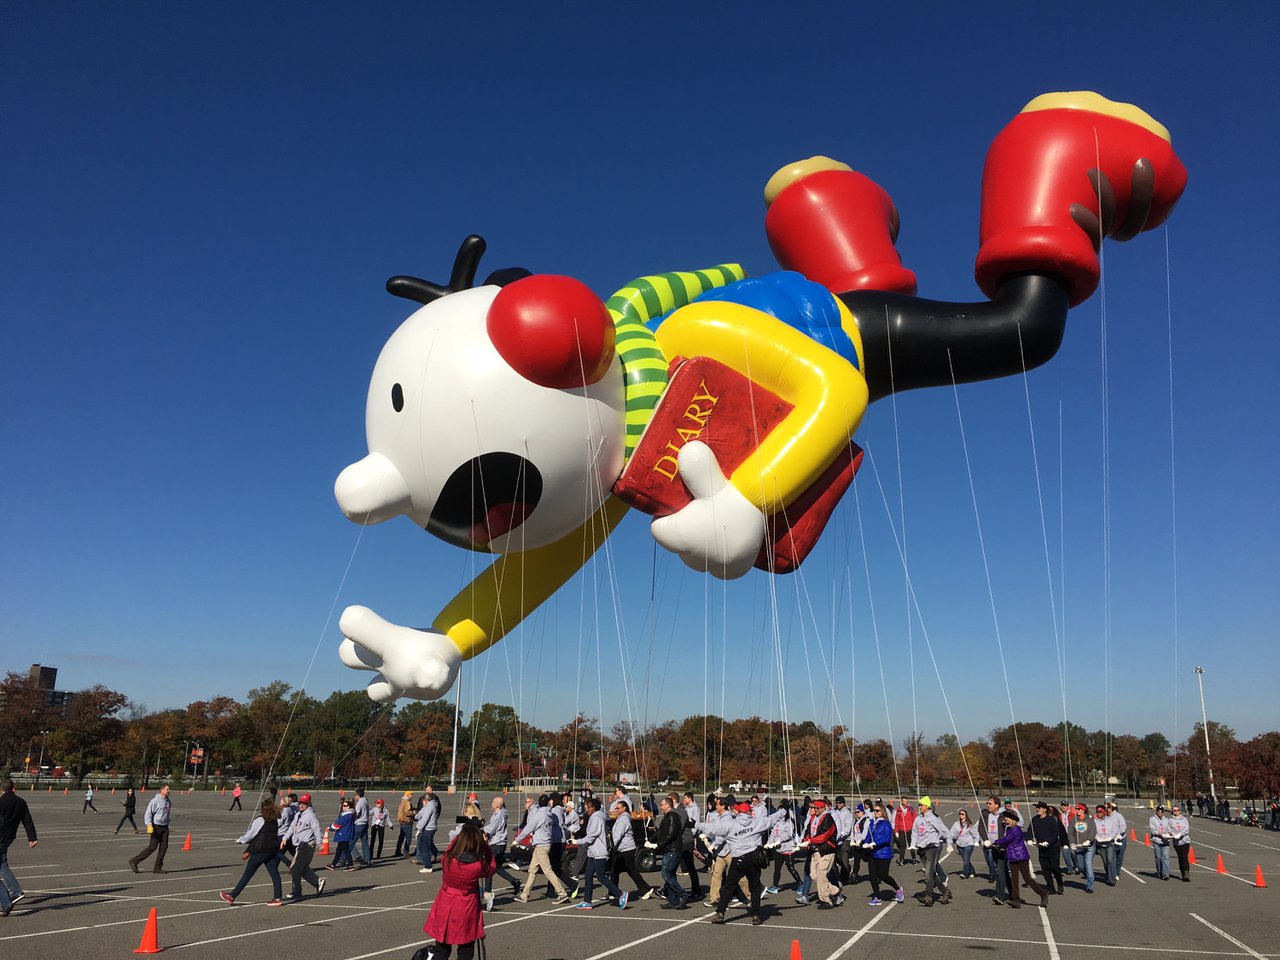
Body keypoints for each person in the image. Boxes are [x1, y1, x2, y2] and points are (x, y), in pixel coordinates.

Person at [420, 823, 495, 960]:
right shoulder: (477, 866)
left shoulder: (447, 858)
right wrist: (485, 846)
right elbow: (492, 867)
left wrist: (462, 834)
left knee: (441, 949)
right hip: (466, 905)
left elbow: (451, 846)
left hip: (445, 901)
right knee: (465, 948)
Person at [705, 798, 784, 925]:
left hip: (738, 859)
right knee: (755, 887)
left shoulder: (732, 824)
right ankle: (756, 915)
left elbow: (714, 829)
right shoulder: (756, 822)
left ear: (740, 812)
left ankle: (720, 913)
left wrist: (696, 825)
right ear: (749, 812)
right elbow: (772, 819)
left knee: (728, 887)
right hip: (753, 859)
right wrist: (784, 810)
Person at [220, 798, 283, 906]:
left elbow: (251, 835)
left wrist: (240, 840)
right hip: (271, 850)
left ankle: (232, 896)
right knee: (275, 874)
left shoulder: (260, 820)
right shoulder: (274, 820)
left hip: (260, 851)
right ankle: (277, 898)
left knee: (247, 874)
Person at [573, 797, 627, 910]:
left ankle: (620, 894)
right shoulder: (594, 817)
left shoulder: (596, 818)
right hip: (592, 852)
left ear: (593, 808)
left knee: (600, 876)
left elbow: (591, 837)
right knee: (588, 875)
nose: (586, 809)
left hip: (599, 852)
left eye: (588, 807)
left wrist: (576, 841)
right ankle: (587, 901)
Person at [515, 795, 570, 903]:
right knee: (532, 870)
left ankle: (562, 893)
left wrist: (518, 839)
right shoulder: (549, 813)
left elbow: (529, 827)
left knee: (548, 870)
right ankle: (524, 895)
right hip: (543, 844)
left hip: (541, 845)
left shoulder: (540, 814)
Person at [991, 809, 1049, 909]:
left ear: (1013, 819)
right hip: (1012, 857)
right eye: (1005, 817)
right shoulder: (1008, 829)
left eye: (1007, 818)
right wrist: (999, 846)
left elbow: (1007, 840)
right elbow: (1008, 843)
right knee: (1014, 880)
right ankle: (1015, 900)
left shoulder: (1016, 829)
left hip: (1021, 857)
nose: (1006, 819)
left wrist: (995, 841)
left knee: (1028, 879)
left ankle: (1043, 893)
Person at [0, 779, 38, 918]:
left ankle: (7, 900)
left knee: (2, 865)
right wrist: (32, 837)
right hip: (8, 837)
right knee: (2, 865)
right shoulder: (21, 802)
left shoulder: (2, 802)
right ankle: (15, 893)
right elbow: (27, 820)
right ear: (13, 789)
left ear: (2, 789)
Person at [282, 794, 327, 900]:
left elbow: (317, 829)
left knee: (295, 869)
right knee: (302, 868)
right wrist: (285, 838)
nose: (302, 805)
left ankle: (297, 892)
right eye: (300, 803)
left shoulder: (310, 816)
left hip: (307, 845)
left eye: (304, 803)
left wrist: (320, 844)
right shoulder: (298, 814)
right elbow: (292, 827)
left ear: (309, 804)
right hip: (299, 845)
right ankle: (317, 882)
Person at [608, 799, 654, 900]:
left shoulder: (624, 819)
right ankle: (612, 892)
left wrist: (611, 846)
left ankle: (646, 889)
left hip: (626, 849)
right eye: (616, 808)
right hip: (622, 849)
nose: (616, 810)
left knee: (630, 870)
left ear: (624, 808)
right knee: (616, 870)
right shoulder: (621, 818)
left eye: (618, 808)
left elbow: (618, 834)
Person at [860, 801, 904, 906]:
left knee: (883, 875)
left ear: (882, 812)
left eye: (877, 811)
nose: (875, 812)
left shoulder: (886, 823)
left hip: (883, 853)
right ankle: (876, 896)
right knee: (872, 875)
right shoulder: (872, 823)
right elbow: (868, 836)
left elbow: (886, 838)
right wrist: (864, 843)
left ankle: (898, 889)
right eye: (874, 810)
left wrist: (875, 843)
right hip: (873, 853)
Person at [482, 796, 520, 908]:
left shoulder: (499, 815)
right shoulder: (499, 814)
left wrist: (482, 830)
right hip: (499, 843)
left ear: (497, 805)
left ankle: (487, 892)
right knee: (497, 867)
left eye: (493, 802)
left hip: (497, 844)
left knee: (489, 866)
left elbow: (492, 828)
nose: (491, 804)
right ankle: (514, 881)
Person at [912, 796, 951, 905]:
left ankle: (929, 896)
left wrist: (948, 844)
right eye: (919, 805)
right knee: (931, 873)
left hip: (932, 848)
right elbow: (915, 832)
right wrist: (913, 845)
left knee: (928, 872)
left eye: (922, 805)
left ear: (927, 806)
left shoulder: (933, 818)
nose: (919, 807)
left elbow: (945, 832)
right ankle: (945, 891)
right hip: (921, 848)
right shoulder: (919, 818)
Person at [651, 796, 689, 909]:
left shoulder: (673, 816)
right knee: (671, 875)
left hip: (673, 850)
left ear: (668, 805)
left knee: (666, 874)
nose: (661, 806)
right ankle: (673, 900)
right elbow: (660, 832)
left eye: (662, 804)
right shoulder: (667, 817)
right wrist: (650, 839)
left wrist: (658, 845)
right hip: (669, 850)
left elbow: (671, 834)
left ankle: (682, 894)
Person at [129, 784, 172, 874]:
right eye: (167, 789)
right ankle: (134, 861)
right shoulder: (155, 801)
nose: (169, 791)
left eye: (169, 789)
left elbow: (166, 814)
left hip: (164, 827)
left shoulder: (168, 801)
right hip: (156, 827)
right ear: (162, 790)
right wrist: (149, 825)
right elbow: (148, 813)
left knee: (164, 848)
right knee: (152, 847)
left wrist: (167, 822)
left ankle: (157, 867)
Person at [1028, 801, 1067, 895]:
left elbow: (1055, 833)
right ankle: (1051, 887)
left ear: (1045, 809)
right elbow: (1030, 830)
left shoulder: (1051, 819)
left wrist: (1048, 842)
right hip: (1041, 848)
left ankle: (1060, 884)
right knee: (1045, 869)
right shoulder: (1034, 819)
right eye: (1037, 807)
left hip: (1053, 848)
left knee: (1055, 867)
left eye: (1040, 807)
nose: (1038, 809)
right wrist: (1028, 839)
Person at [976, 795, 1010, 904]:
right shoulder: (985, 814)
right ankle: (1013, 892)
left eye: (990, 803)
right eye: (987, 803)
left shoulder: (1004, 815)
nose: (988, 805)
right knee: (1003, 871)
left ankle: (1000, 896)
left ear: (997, 805)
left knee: (999, 871)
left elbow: (1013, 827)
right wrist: (985, 839)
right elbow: (981, 827)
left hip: (1001, 847)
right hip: (991, 846)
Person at [764, 799, 801, 893]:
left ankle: (800, 884)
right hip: (779, 850)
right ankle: (775, 886)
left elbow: (788, 834)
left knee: (791, 868)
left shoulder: (789, 822)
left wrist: (779, 840)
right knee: (777, 869)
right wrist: (769, 843)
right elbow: (772, 834)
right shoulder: (776, 823)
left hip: (788, 849)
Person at [1067, 803, 1097, 893]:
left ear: (1083, 810)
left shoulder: (1090, 820)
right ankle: (1087, 877)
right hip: (1078, 846)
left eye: (1079, 809)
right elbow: (1070, 833)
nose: (1077, 810)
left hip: (1089, 847)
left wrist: (1089, 840)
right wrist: (1071, 843)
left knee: (1088, 864)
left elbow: (1093, 831)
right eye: (1076, 809)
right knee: (1081, 867)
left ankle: (1090, 886)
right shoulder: (1073, 821)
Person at [416, 789, 441, 872]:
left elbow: (425, 818)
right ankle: (428, 864)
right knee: (424, 845)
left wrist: (419, 827)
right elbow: (420, 814)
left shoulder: (430, 806)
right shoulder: (430, 806)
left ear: (426, 800)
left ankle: (428, 866)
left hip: (428, 829)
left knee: (424, 847)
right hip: (429, 828)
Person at [1093, 804, 1118, 886]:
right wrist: (1097, 838)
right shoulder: (1095, 821)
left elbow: (1115, 830)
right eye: (1097, 812)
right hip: (1100, 844)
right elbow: (1093, 832)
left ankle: (1112, 879)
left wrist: (1110, 837)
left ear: (1104, 812)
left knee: (1110, 860)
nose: (1098, 813)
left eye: (1100, 812)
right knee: (1105, 862)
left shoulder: (1111, 820)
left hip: (1110, 843)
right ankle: (1108, 876)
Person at [950, 808, 978, 879]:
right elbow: (952, 833)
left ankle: (965, 873)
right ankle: (972, 870)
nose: (961, 815)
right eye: (960, 814)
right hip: (960, 844)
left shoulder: (969, 824)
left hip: (969, 844)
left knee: (966, 859)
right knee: (966, 860)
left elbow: (975, 834)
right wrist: (949, 840)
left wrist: (976, 841)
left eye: (962, 814)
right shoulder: (956, 824)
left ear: (966, 815)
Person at [329, 798, 356, 870]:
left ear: (349, 807)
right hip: (345, 834)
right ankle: (333, 865)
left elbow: (338, 823)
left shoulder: (347, 815)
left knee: (346, 851)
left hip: (344, 834)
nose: (343, 807)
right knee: (339, 850)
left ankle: (350, 865)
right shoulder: (350, 814)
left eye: (345, 805)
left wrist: (330, 827)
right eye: (343, 805)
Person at [1167, 804, 1192, 882]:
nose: (1176, 812)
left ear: (1180, 811)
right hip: (1176, 842)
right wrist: (1173, 834)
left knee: (1185, 857)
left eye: (1177, 810)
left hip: (1185, 841)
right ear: (1172, 811)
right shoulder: (1170, 820)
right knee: (1180, 858)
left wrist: (1180, 834)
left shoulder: (1184, 819)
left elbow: (1187, 828)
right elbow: (1169, 829)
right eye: (1174, 810)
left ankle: (1186, 874)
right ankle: (1182, 872)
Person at [1148, 805, 1172, 880]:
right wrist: (1160, 834)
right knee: (1158, 857)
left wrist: (1169, 834)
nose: (1160, 813)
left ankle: (1166, 873)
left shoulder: (1167, 820)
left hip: (1165, 841)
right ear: (1156, 811)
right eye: (1158, 811)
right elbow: (1152, 829)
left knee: (1165, 857)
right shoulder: (1152, 819)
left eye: (1161, 811)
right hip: (1156, 840)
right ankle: (1160, 871)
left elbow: (1169, 829)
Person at [892, 797, 915, 865]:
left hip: (909, 829)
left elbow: (914, 819)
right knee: (903, 845)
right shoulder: (898, 810)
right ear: (901, 802)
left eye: (906, 801)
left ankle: (913, 859)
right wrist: (896, 831)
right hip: (901, 830)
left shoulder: (911, 809)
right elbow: (896, 821)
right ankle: (901, 859)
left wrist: (915, 829)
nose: (906, 802)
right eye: (904, 801)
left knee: (911, 844)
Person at [352, 788, 371, 865]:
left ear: (358, 795)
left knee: (351, 841)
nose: (355, 796)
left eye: (356, 794)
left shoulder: (360, 802)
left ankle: (343, 858)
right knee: (365, 843)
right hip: (365, 823)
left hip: (359, 824)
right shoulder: (365, 801)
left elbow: (357, 813)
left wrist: (353, 818)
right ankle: (367, 859)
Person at [395, 791, 415, 858]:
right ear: (408, 795)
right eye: (411, 794)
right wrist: (414, 812)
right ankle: (406, 852)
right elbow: (408, 812)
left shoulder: (403, 801)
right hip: (407, 821)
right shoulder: (407, 802)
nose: (412, 795)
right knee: (408, 837)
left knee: (401, 837)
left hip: (402, 821)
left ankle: (397, 851)